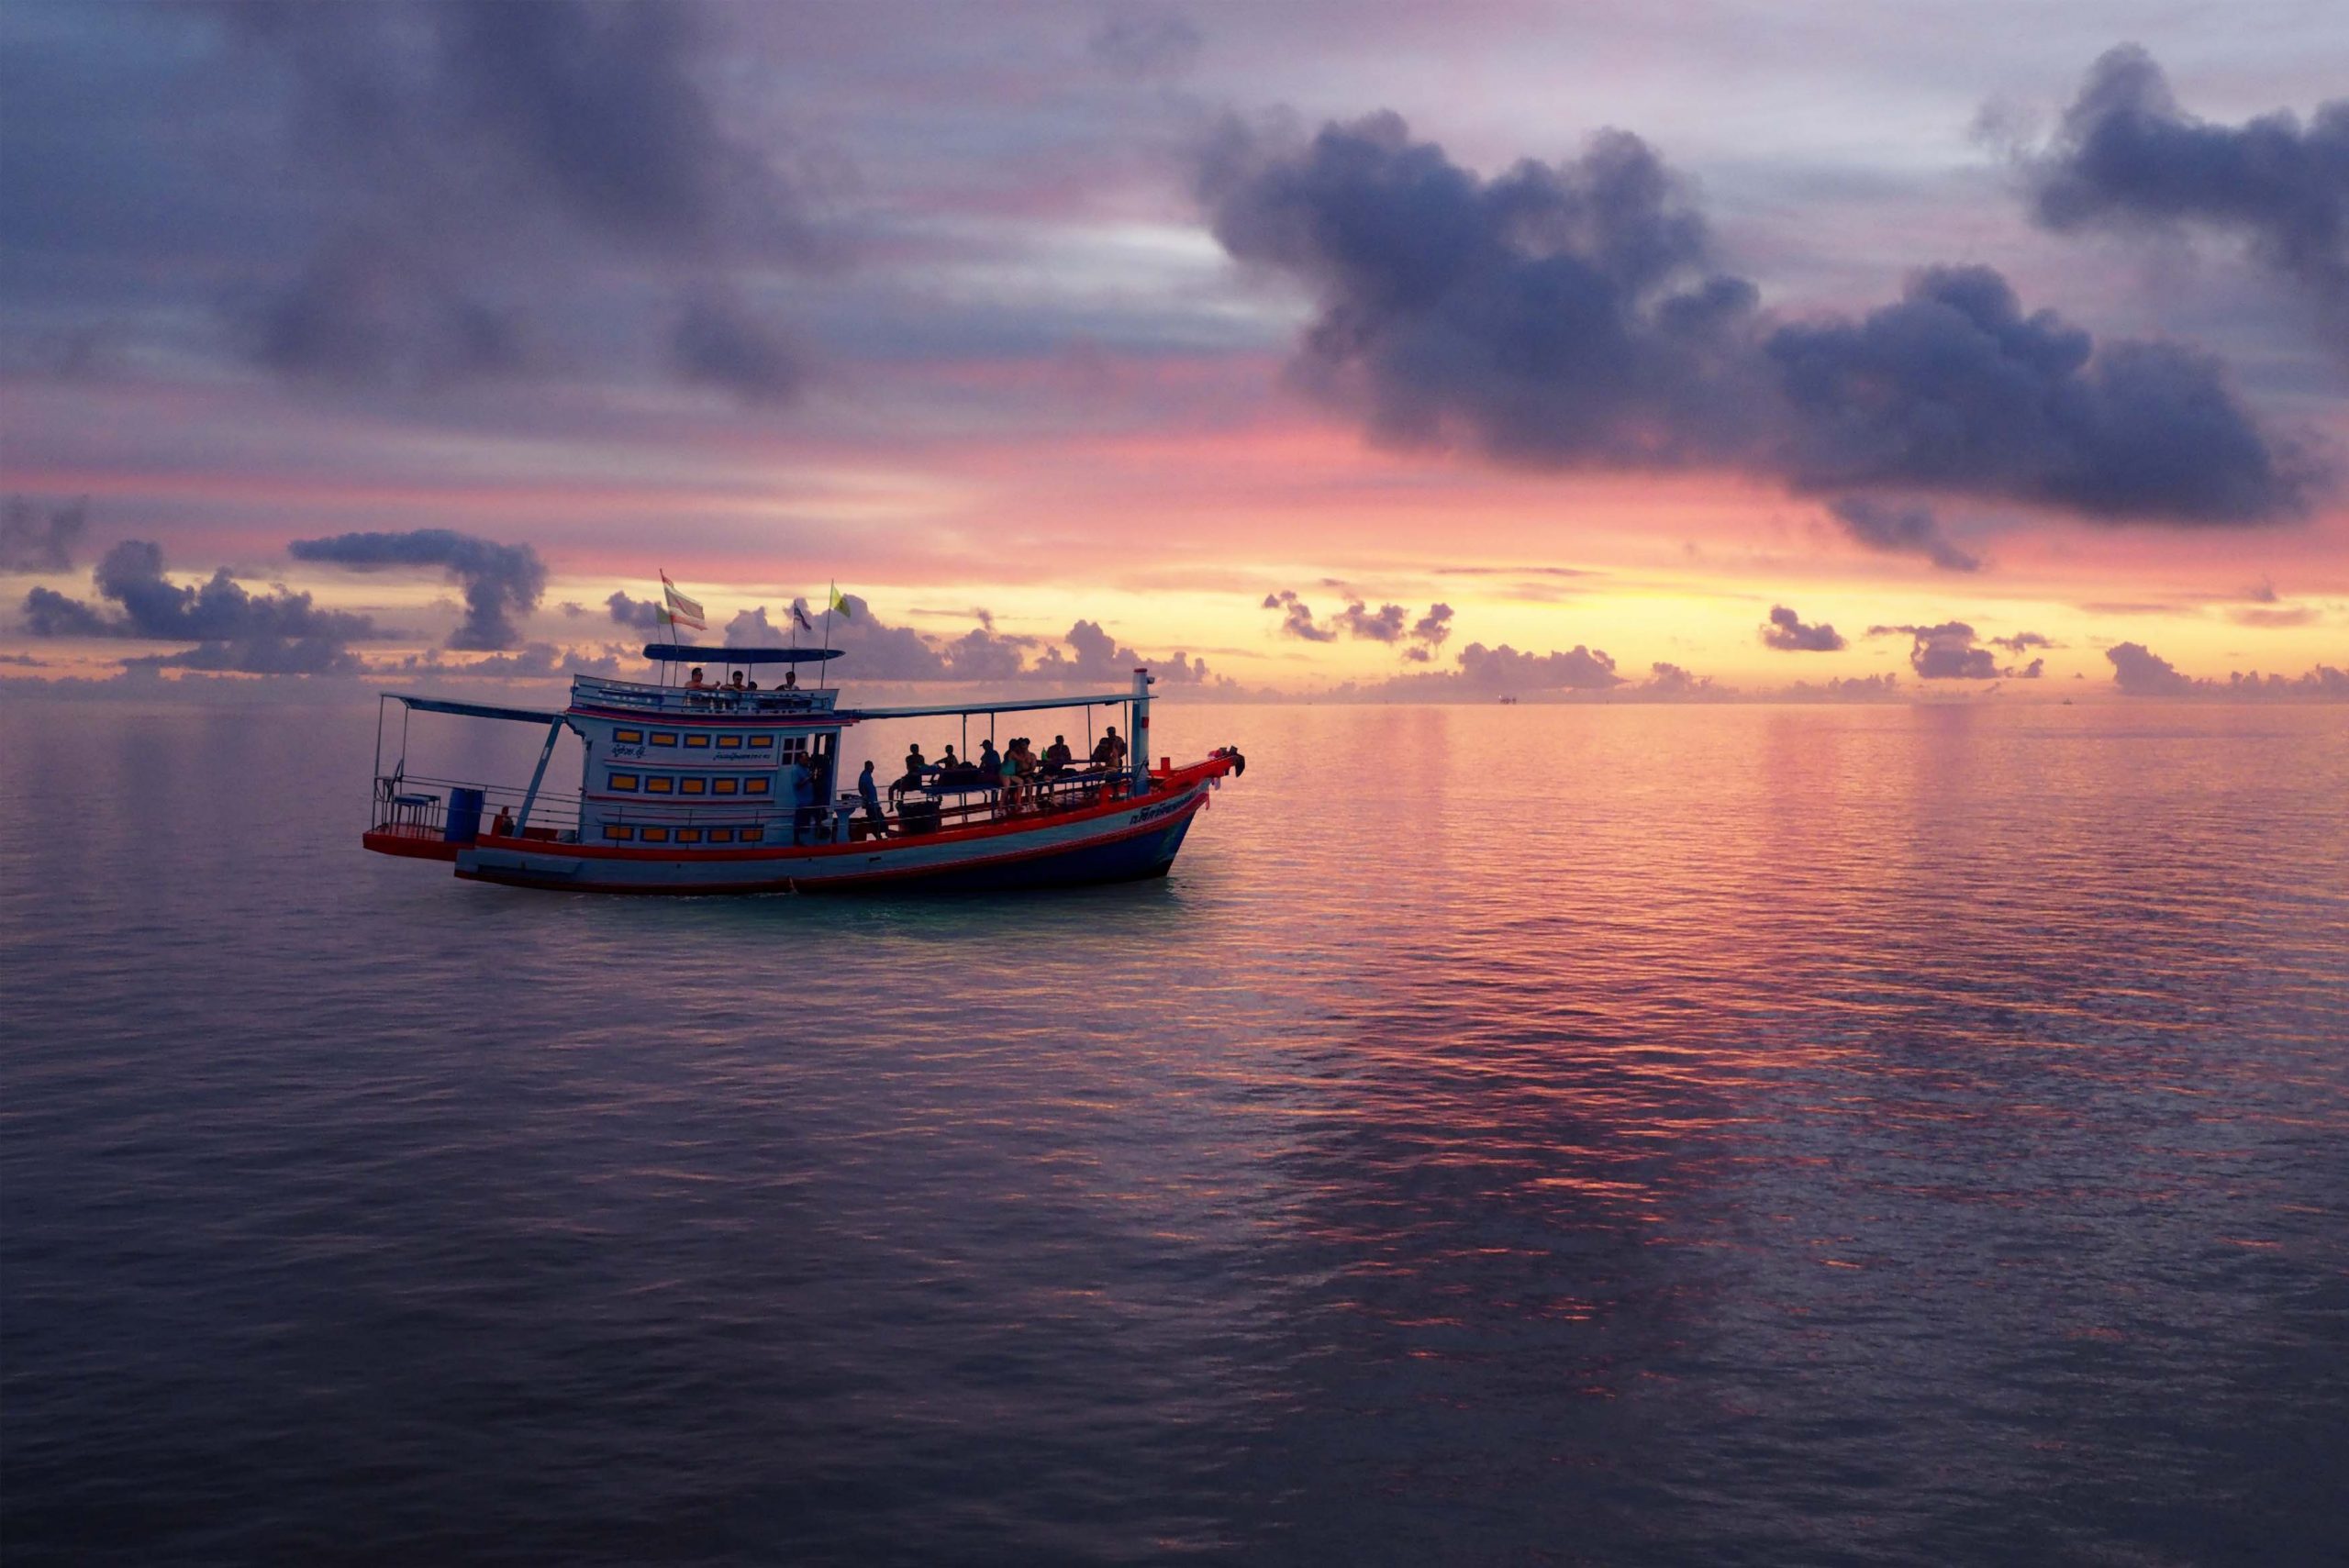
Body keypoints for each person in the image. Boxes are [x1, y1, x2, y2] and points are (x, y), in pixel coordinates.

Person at [857, 759, 889, 838]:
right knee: (875, 820)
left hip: (874, 802)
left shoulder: (868, 775)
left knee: (879, 818)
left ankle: (883, 834)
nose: (873, 768)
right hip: (871, 803)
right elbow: (861, 786)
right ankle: (878, 836)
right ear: (868, 767)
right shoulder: (864, 775)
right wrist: (865, 795)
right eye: (872, 766)